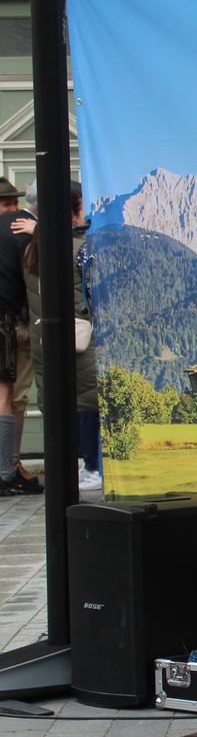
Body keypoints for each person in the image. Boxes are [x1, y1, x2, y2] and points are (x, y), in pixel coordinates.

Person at [16, 183, 98, 488]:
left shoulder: (33, 248)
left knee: (56, 401)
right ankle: (92, 467)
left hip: (44, 341)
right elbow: (92, 295)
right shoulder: (81, 249)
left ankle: (65, 467)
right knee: (88, 402)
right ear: (76, 210)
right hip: (81, 339)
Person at [0, 176, 36, 497]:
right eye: (7, 205)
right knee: (14, 395)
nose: (14, 211)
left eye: (15, 204)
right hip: (12, 324)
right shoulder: (18, 229)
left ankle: (10, 466)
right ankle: (9, 468)